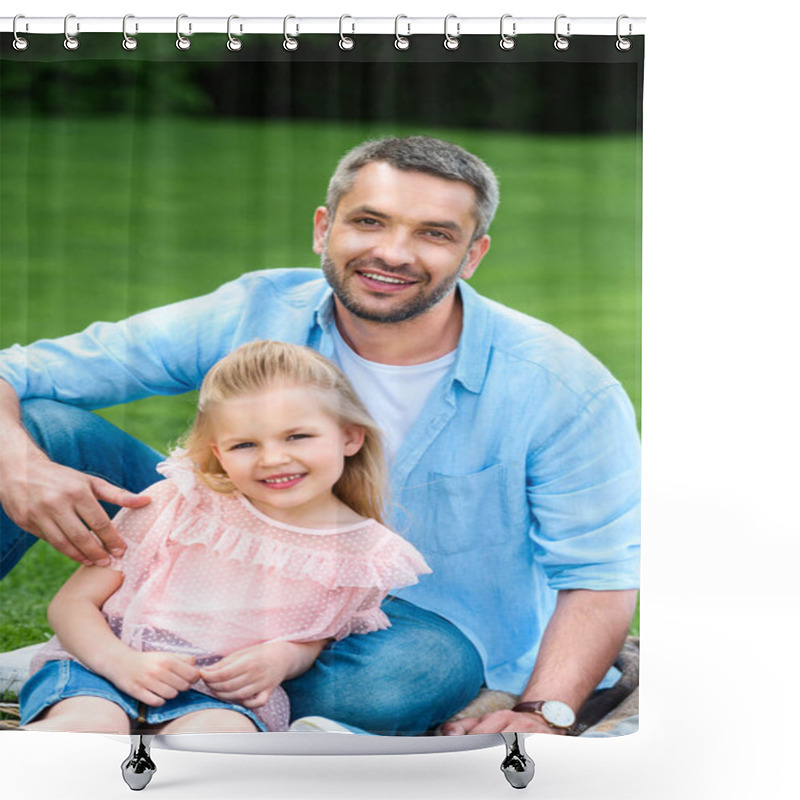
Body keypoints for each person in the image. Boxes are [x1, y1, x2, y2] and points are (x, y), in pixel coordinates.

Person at [0, 135, 640, 736]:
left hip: (390, 631)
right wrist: (17, 460)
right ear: (322, 229)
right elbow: (16, 371)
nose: (392, 252)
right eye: (369, 221)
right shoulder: (257, 309)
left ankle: (130, 663)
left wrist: (541, 711)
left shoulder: (560, 385)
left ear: (472, 256)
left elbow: (601, 574)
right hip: (211, 550)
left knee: (428, 669)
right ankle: (135, 654)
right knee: (38, 430)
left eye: (434, 234)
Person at [18, 340, 430, 734]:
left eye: (297, 436)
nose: (273, 459)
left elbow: (315, 638)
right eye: (245, 444)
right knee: (90, 727)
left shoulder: (364, 554)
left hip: (218, 696)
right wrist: (119, 663)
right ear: (218, 453)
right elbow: (73, 603)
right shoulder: (183, 502)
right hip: (106, 666)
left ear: (350, 436)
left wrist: (282, 659)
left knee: (222, 740)